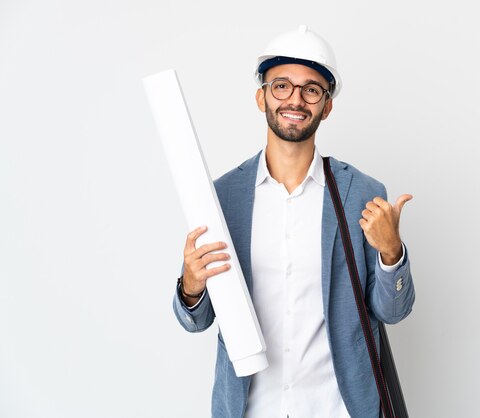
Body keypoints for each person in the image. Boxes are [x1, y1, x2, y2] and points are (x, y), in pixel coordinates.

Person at [173, 25, 415, 418]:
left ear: (327, 106)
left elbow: (393, 311)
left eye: (311, 89)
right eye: (281, 86)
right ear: (261, 97)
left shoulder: (362, 193)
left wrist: (391, 252)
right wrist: (191, 285)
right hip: (250, 409)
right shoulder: (223, 197)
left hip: (337, 409)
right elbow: (196, 319)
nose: (295, 100)